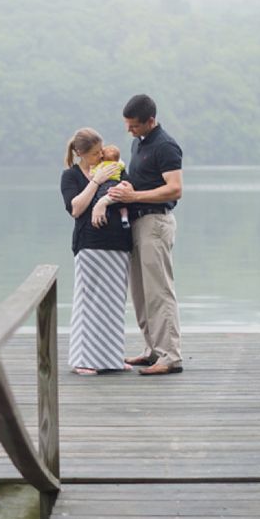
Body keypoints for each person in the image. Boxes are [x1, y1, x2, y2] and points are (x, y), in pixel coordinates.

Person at [103, 94, 183, 376]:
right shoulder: (139, 143)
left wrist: (135, 194)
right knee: (140, 292)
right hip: (136, 222)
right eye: (127, 125)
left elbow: (175, 189)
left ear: (150, 121)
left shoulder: (166, 145)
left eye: (134, 125)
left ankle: (170, 356)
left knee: (159, 292)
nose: (129, 130)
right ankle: (152, 351)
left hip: (156, 223)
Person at [60, 128, 133, 375]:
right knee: (88, 302)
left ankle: (111, 357)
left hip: (119, 242)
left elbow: (127, 192)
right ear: (80, 153)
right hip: (89, 244)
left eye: (100, 152)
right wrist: (95, 182)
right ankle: (82, 359)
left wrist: (107, 198)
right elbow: (76, 208)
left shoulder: (112, 165)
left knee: (113, 303)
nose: (99, 157)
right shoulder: (71, 176)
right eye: (93, 154)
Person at [91, 144, 130, 229]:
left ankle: (103, 216)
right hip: (116, 185)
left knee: (98, 199)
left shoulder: (101, 166)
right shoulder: (118, 165)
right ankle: (124, 217)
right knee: (122, 204)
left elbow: (93, 174)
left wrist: (92, 172)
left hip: (105, 186)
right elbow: (123, 166)